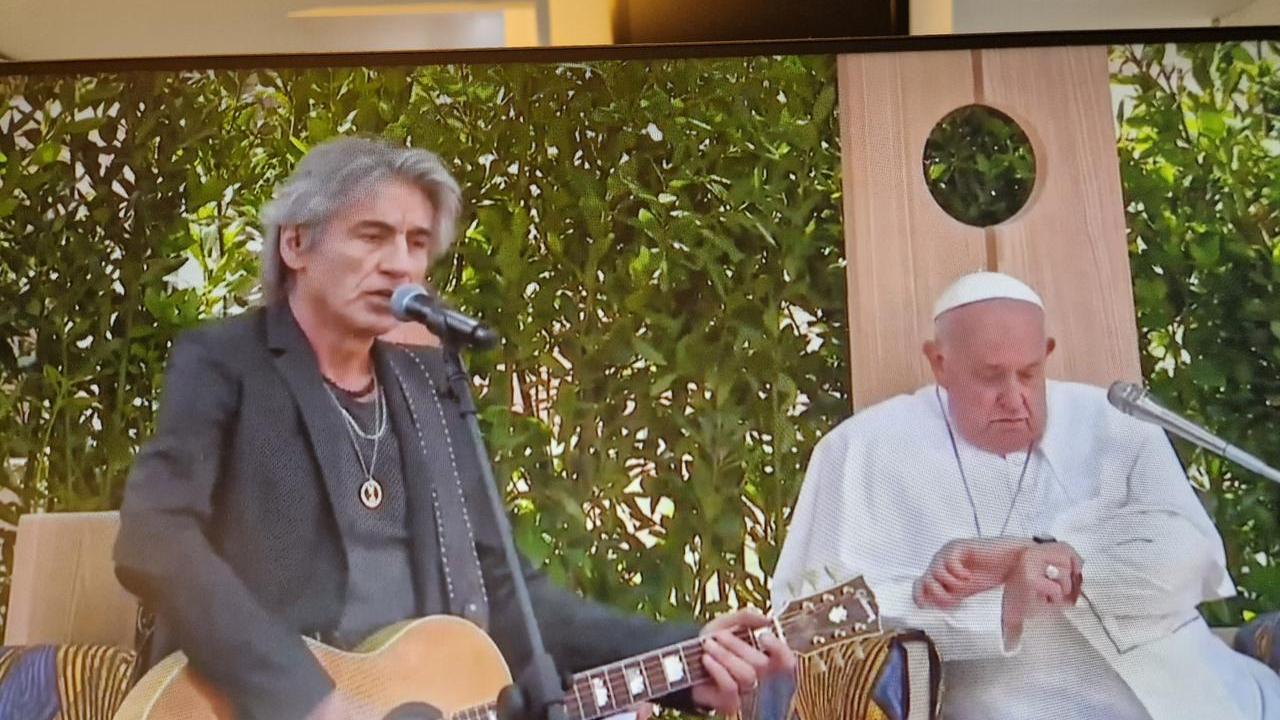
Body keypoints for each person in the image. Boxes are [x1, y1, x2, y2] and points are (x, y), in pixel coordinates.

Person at [114, 136, 793, 720]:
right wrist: (306, 697)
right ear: (296, 243)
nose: (401, 264)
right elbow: (153, 537)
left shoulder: (431, 393)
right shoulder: (226, 362)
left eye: (415, 243)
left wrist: (683, 654)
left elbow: (511, 597)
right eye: (372, 235)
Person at [770, 271, 1280, 719]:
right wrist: (997, 607)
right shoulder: (862, 451)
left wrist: (1031, 554)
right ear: (939, 363)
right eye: (990, 377)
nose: (1015, 399)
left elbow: (1192, 562)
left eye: (1030, 374)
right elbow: (805, 624)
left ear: (1048, 355)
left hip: (1191, 703)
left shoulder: (1117, 425)